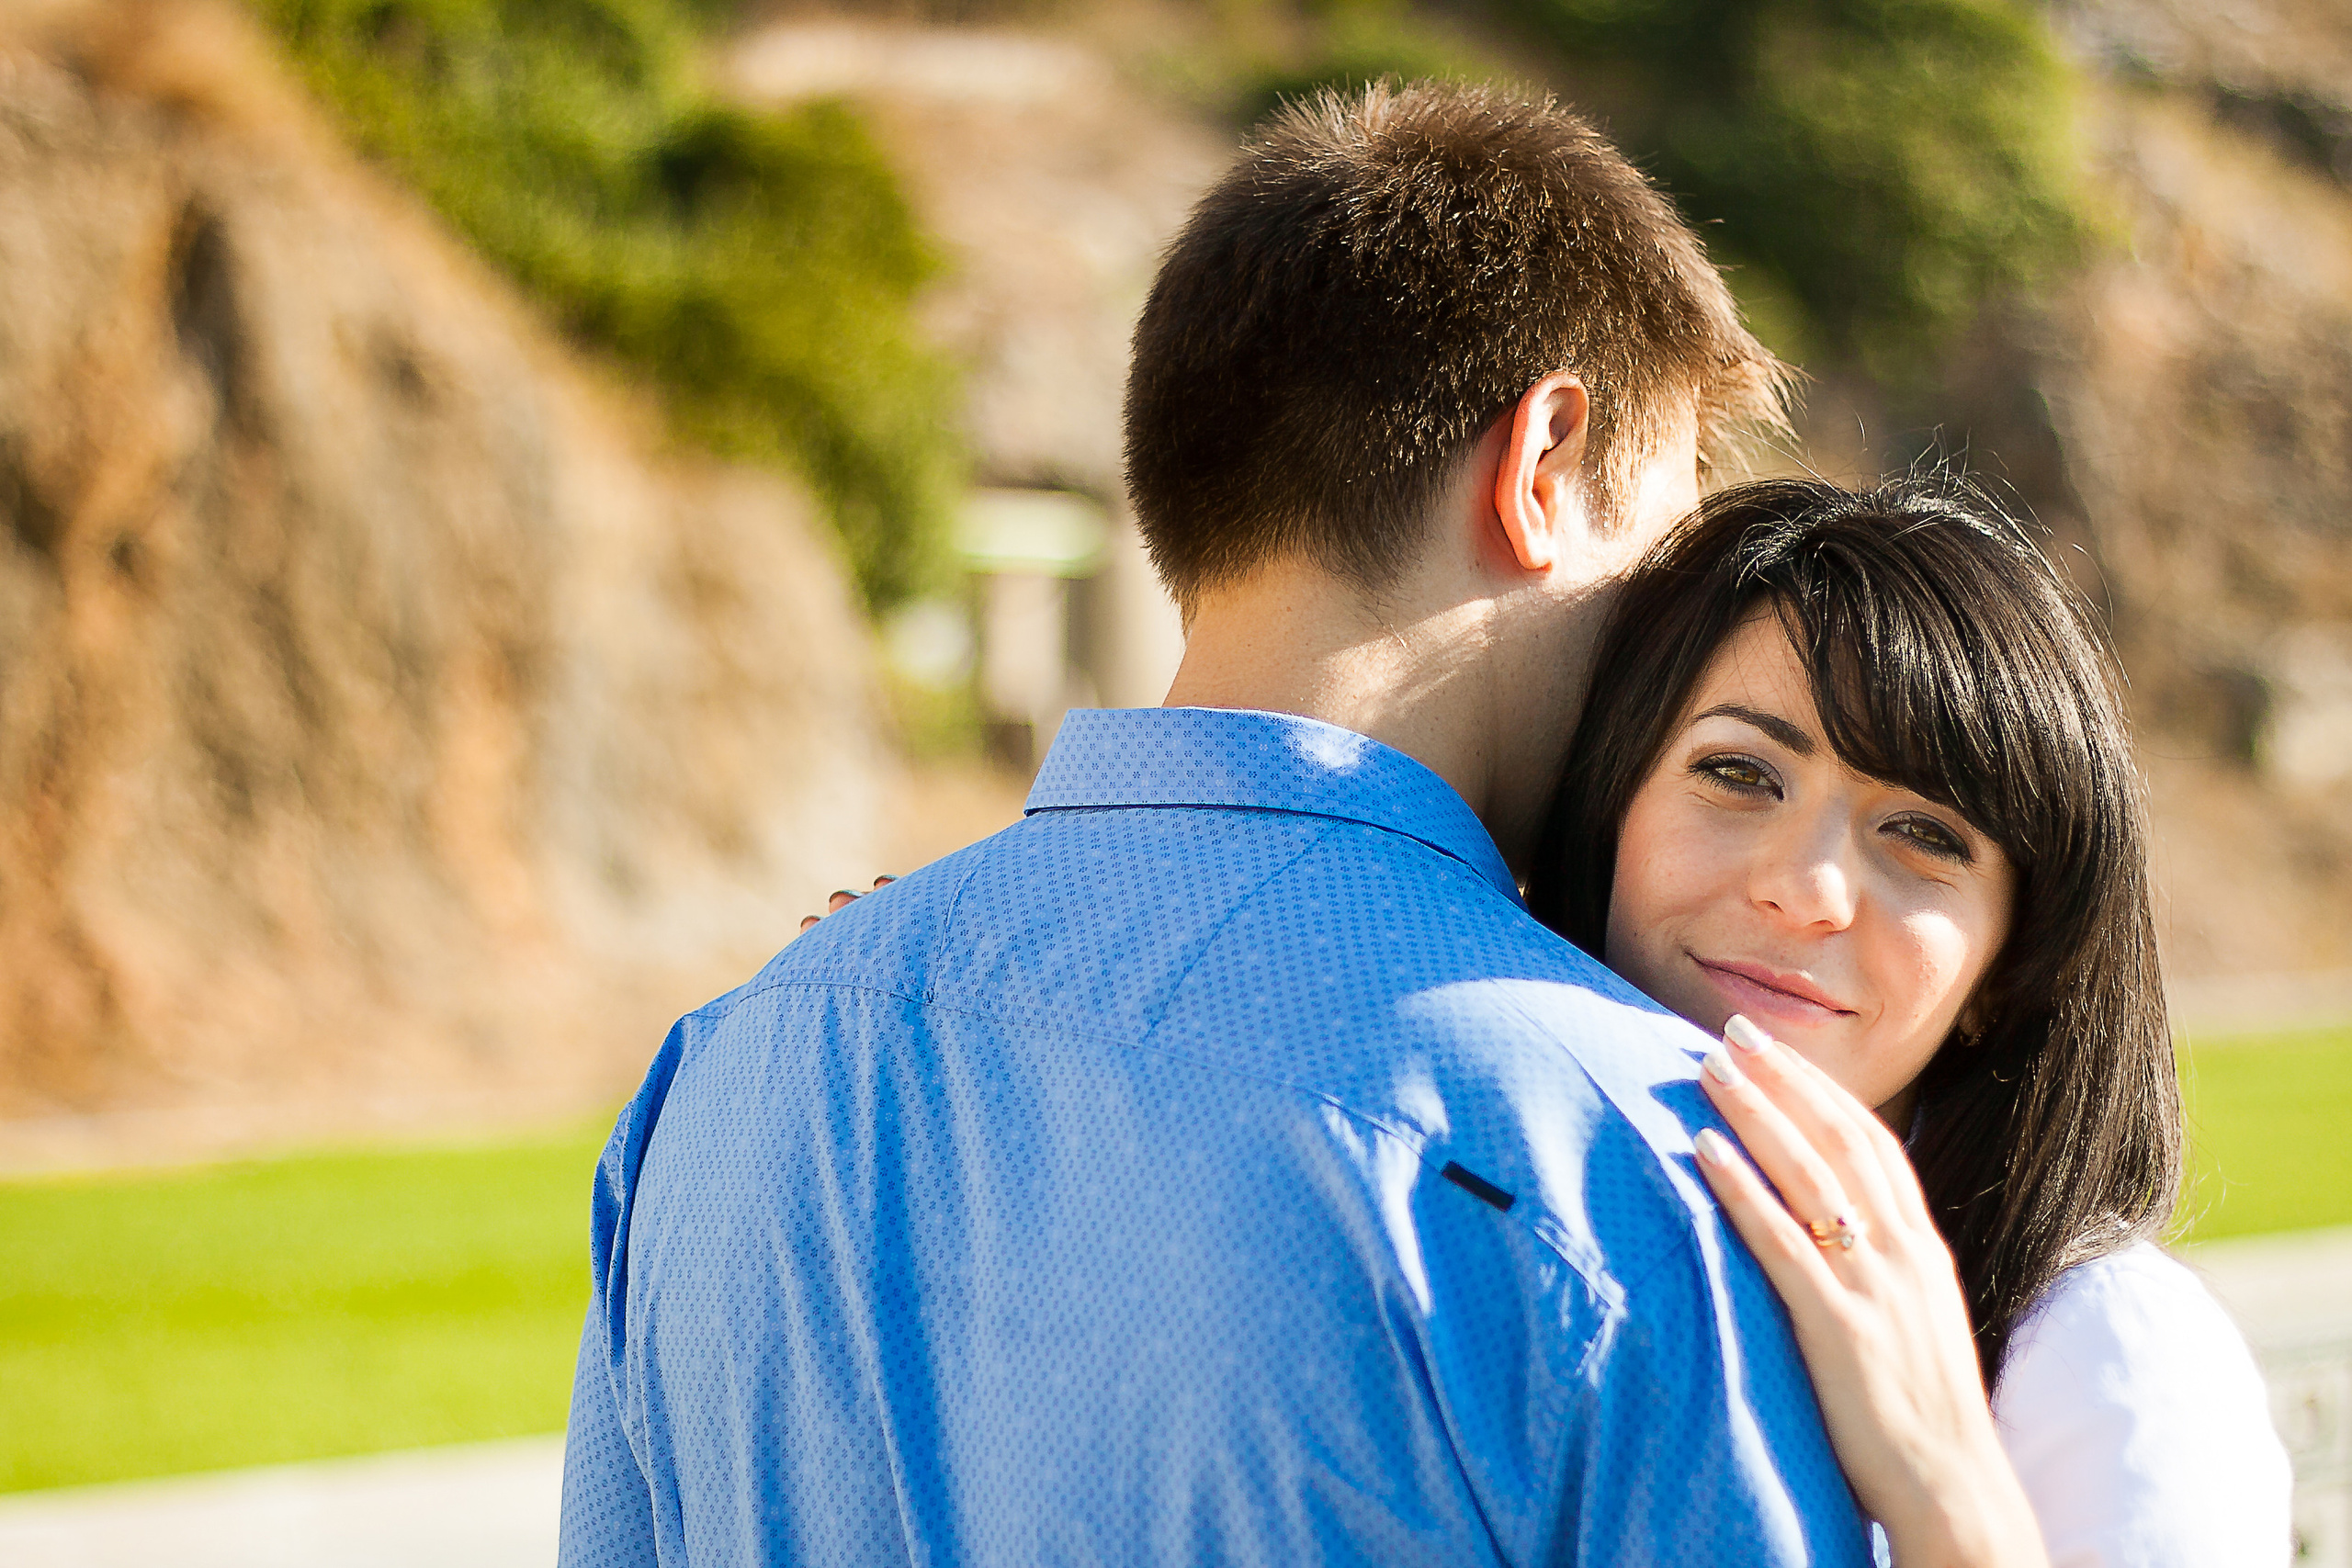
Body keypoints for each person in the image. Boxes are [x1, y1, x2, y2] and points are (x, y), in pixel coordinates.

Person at [558, 82, 1881, 1565]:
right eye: (1666, 534)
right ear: (1544, 465)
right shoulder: (1636, 1149)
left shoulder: (721, 1068)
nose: (1672, 631)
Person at [1526, 477, 2294, 1564]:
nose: (1807, 888)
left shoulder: (2099, 1357)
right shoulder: (1485, 1214)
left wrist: (1945, 1491)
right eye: (1739, 772)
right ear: (1609, 807)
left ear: (2003, 969)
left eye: (1924, 834)